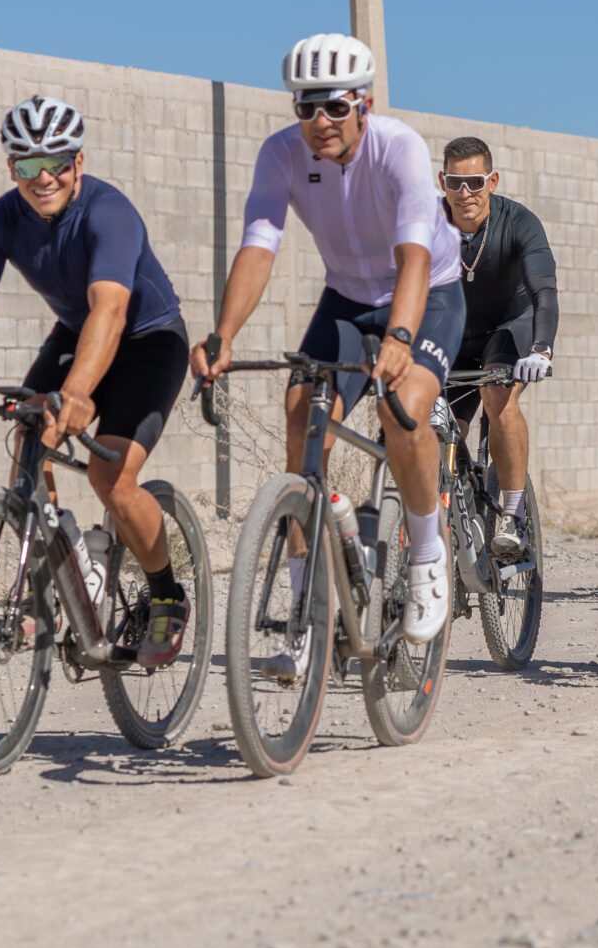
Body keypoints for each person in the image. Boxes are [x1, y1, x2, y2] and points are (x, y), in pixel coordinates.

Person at [0, 96, 192, 665]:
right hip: (79, 333)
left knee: (111, 478)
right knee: (30, 440)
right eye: (28, 164)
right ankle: (60, 576)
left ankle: (165, 594)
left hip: (148, 340)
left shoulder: (110, 213)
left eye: (55, 162)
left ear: (78, 162)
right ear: (11, 167)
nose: (43, 177)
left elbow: (110, 309)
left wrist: (78, 393)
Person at [193, 34, 464, 645]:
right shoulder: (281, 154)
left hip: (427, 293)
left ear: (364, 104)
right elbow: (259, 247)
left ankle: (427, 555)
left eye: (336, 107)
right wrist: (222, 336)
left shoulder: (399, 147)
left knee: (403, 411)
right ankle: (306, 600)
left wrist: (400, 336)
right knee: (300, 412)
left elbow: (415, 256)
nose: (320, 122)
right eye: (306, 107)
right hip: (347, 299)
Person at [436, 137, 559, 569]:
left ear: (492, 181)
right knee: (435, 424)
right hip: (452, 334)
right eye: (455, 182)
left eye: (475, 181)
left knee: (498, 396)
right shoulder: (428, 222)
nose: (465, 192)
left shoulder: (519, 222)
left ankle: (512, 514)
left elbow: (544, 291)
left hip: (509, 328)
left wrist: (541, 348)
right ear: (442, 182)